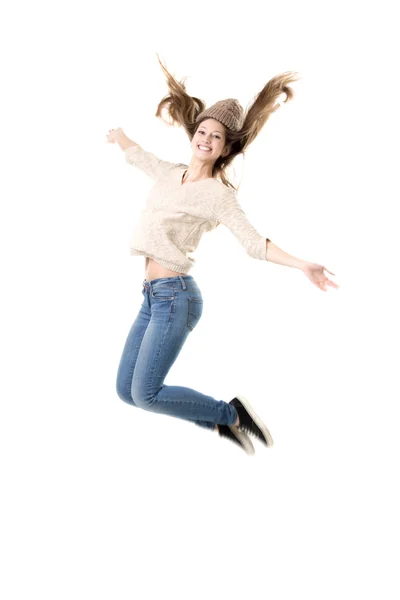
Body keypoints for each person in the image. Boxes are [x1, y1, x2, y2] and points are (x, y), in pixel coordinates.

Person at [106, 55, 339, 455]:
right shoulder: (169, 172)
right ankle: (218, 421)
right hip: (150, 298)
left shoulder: (218, 195)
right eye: (203, 131)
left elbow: (254, 242)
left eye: (216, 137)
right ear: (194, 133)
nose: (207, 139)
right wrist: (120, 136)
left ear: (225, 147)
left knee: (146, 393)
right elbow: (139, 156)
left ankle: (230, 414)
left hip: (176, 297)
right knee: (127, 392)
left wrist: (302, 263)